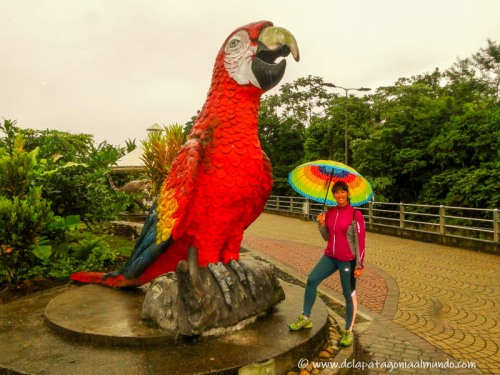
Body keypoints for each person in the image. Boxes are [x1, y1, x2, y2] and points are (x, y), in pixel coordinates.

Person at [289, 181, 366, 347]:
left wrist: (359, 266)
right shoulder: (331, 212)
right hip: (330, 257)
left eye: (342, 192)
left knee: (348, 294)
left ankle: (348, 331)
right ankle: (306, 318)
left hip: (348, 260)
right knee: (311, 280)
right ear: (333, 195)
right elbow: (327, 237)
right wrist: (322, 224)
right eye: (336, 192)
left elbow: (361, 242)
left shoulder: (355, 214)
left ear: (347, 193)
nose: (339, 195)